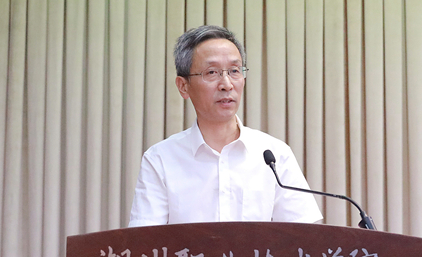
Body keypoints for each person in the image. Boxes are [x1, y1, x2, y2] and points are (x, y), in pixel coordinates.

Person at [128, 25, 323, 227]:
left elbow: (305, 237)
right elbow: (145, 241)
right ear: (183, 86)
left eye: (234, 71)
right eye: (212, 72)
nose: (227, 84)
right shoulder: (160, 159)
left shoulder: (274, 155)